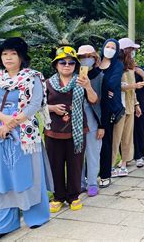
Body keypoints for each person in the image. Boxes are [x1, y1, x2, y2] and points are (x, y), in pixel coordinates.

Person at [0, 38, 53, 241]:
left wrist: (10, 124)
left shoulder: (33, 77)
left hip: (25, 133)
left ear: (21, 56)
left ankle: (36, 215)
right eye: (4, 54)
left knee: (30, 173)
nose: (8, 57)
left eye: (13, 53)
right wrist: (3, 121)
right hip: (1, 134)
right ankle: (3, 222)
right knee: (3, 176)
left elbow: (34, 105)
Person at [46, 46, 97, 212]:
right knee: (56, 165)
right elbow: (36, 106)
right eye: (62, 62)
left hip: (76, 131)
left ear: (76, 65)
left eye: (71, 63)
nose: (67, 65)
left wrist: (88, 86)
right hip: (54, 131)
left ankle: (74, 196)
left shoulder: (81, 81)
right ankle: (58, 196)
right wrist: (52, 108)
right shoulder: (47, 83)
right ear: (56, 65)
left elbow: (94, 100)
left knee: (75, 165)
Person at [111, 38, 142, 178]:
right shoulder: (115, 66)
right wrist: (133, 86)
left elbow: (132, 90)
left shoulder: (131, 67)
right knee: (115, 138)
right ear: (125, 50)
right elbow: (116, 86)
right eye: (132, 50)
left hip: (129, 106)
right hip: (119, 108)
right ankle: (110, 165)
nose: (133, 53)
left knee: (127, 137)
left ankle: (124, 164)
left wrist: (136, 104)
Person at [77, 45, 104, 197]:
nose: (85, 60)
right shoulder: (75, 75)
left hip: (94, 120)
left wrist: (102, 126)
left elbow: (102, 103)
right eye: (81, 57)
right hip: (76, 122)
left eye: (88, 56)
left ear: (94, 58)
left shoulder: (100, 76)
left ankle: (92, 182)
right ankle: (79, 183)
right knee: (77, 154)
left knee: (93, 153)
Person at [98, 39, 124, 188]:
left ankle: (105, 174)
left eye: (113, 47)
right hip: (92, 106)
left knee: (106, 142)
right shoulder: (95, 63)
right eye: (107, 46)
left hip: (108, 108)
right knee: (91, 141)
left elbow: (112, 84)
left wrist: (99, 88)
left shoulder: (117, 65)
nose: (109, 49)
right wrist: (103, 91)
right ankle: (90, 172)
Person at [132, 53, 144, 168]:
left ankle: (140, 154)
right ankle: (128, 156)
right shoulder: (121, 70)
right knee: (128, 131)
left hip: (140, 98)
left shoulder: (139, 70)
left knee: (140, 127)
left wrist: (143, 75)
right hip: (127, 99)